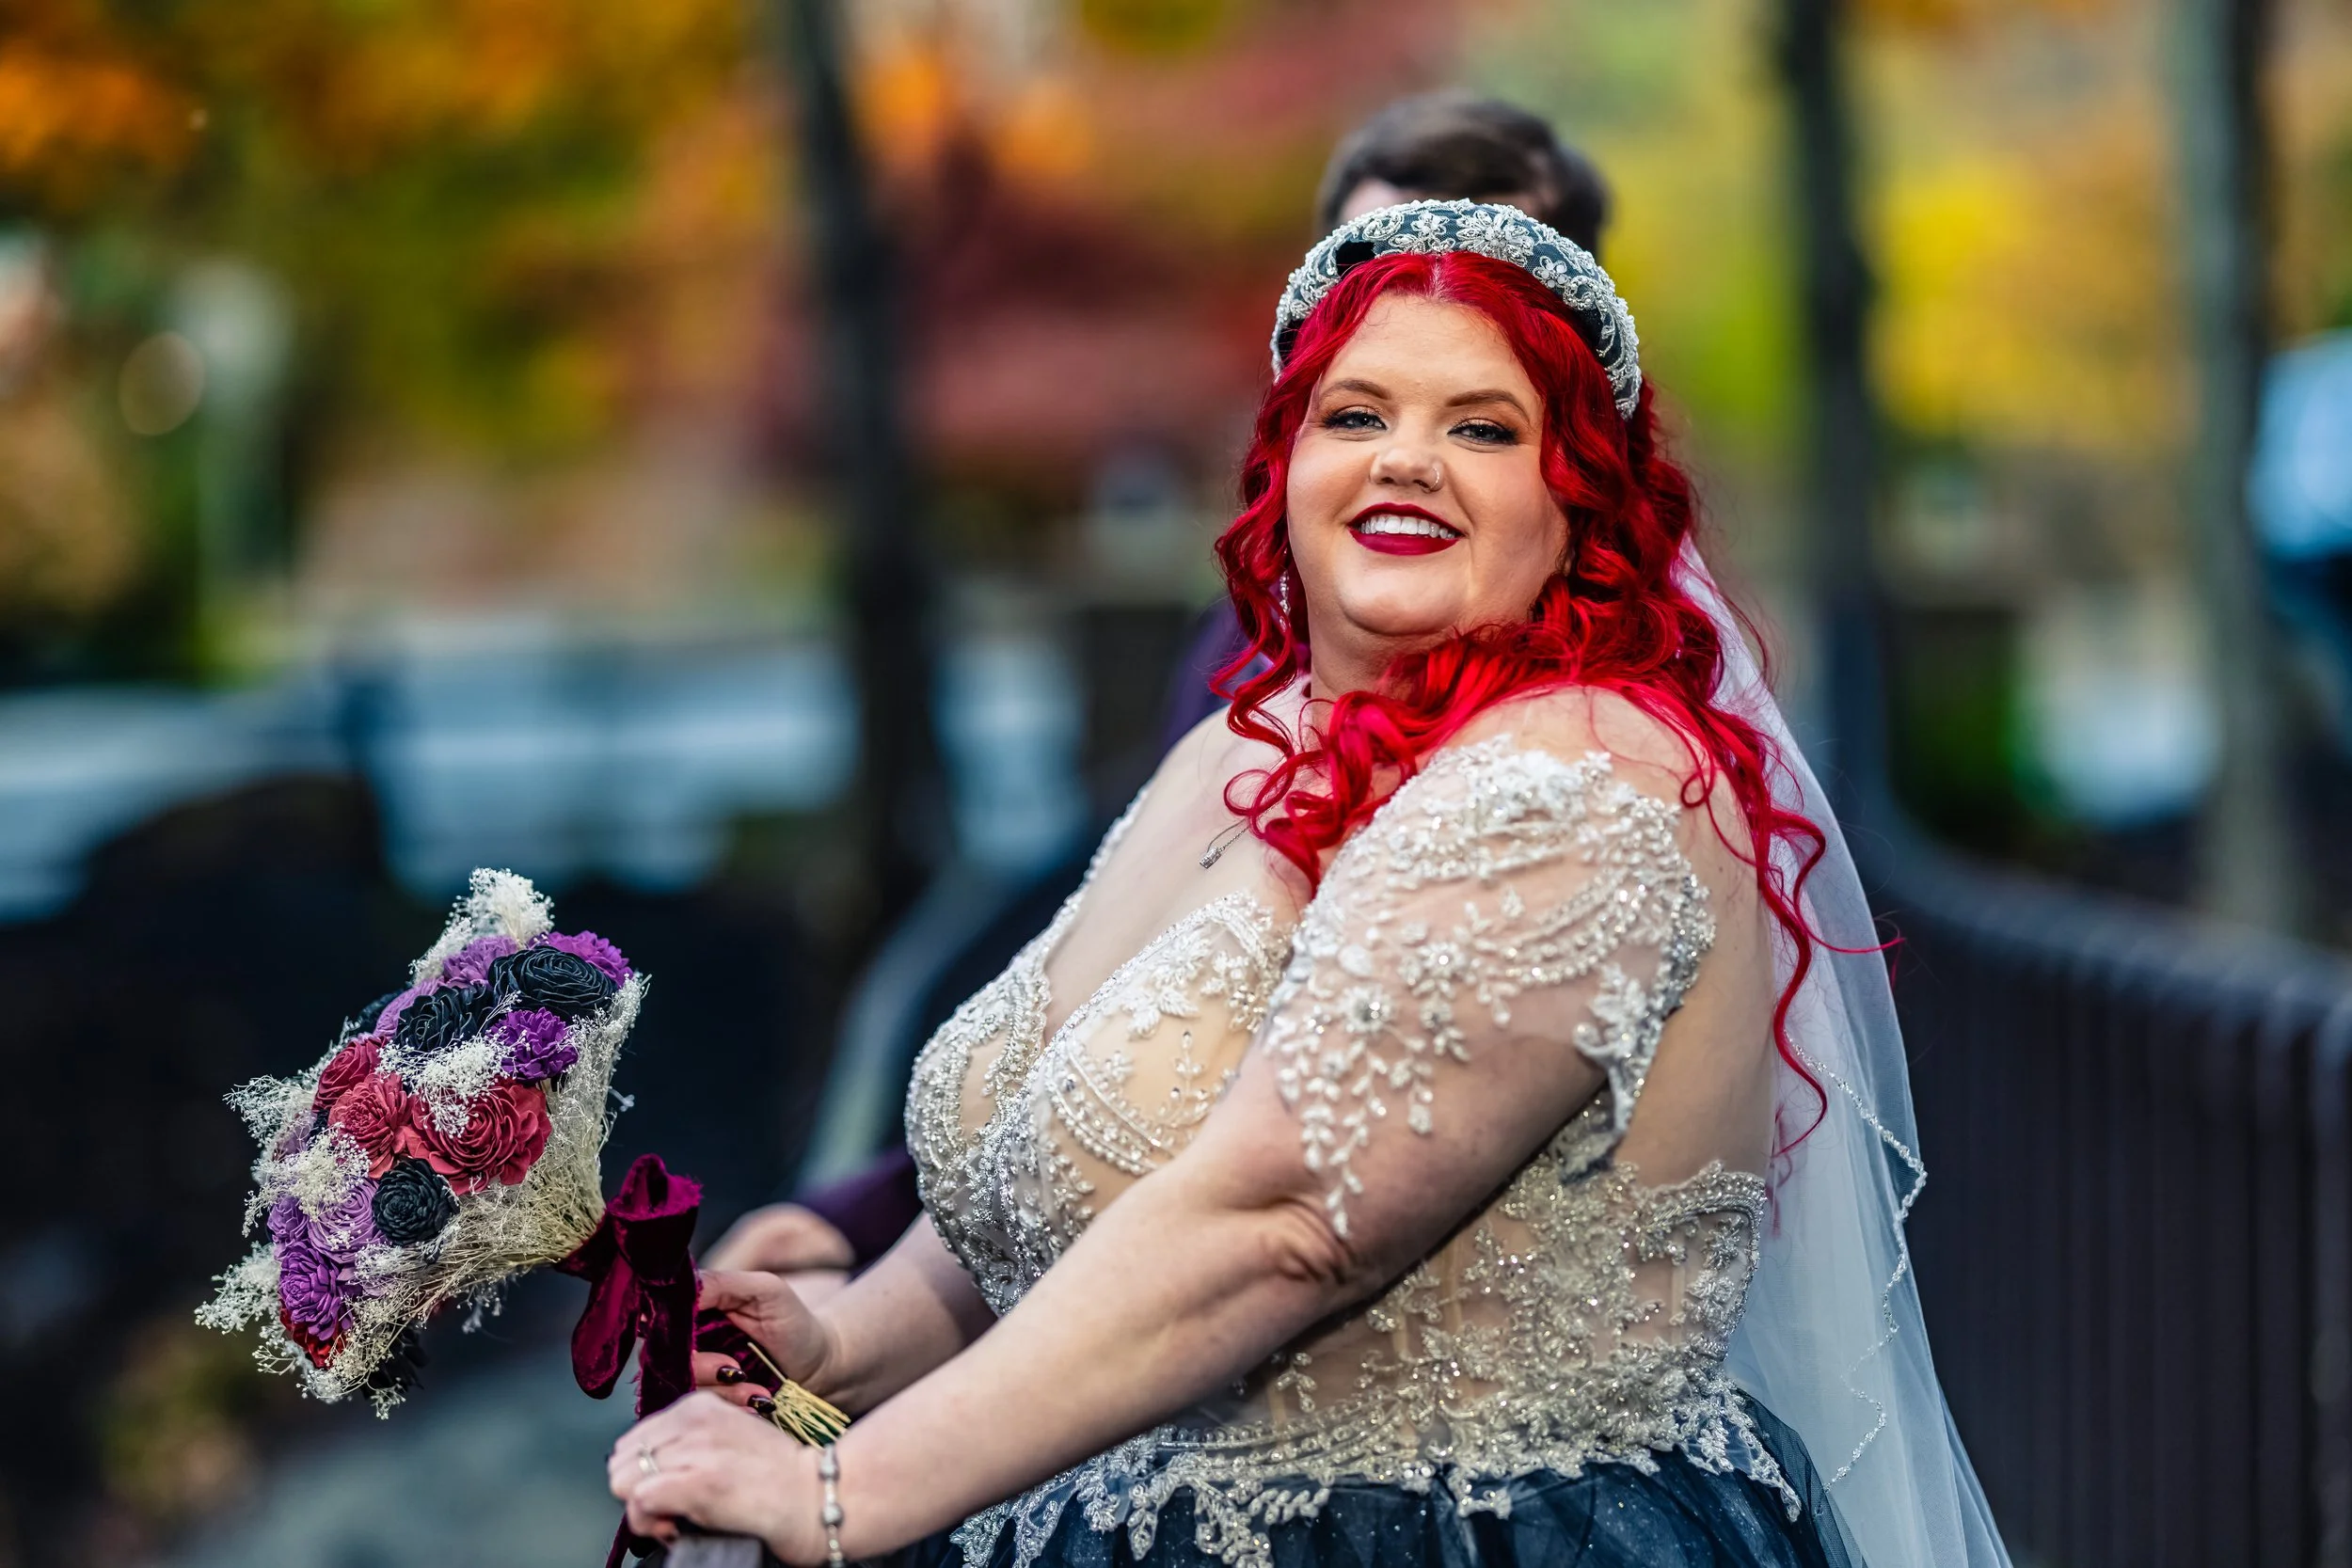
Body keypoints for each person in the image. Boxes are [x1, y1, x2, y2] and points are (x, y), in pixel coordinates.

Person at [609, 202, 2011, 1568]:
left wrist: (844, 1491)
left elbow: (1279, 1222)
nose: (1408, 460)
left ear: (1579, 497)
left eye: (1483, 427)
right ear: (1286, 464)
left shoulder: (1585, 780)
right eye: (1357, 415)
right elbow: (1036, 1172)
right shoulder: (1238, 744)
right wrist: (848, 1339)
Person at [712, 94, 1619, 1283]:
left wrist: (853, 1474)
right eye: (1366, 287)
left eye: (1479, 292)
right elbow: (1143, 975)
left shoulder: (1603, 735)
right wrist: (871, 1222)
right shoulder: (1238, 657)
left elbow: (1293, 1202)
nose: (1417, 325)